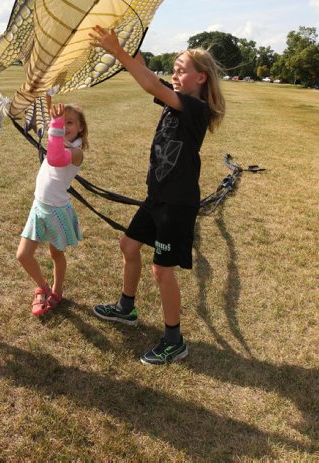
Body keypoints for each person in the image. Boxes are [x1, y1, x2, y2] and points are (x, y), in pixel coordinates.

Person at [89, 25, 225, 366]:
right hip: (157, 197)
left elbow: (150, 82)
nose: (175, 74)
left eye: (181, 70)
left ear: (201, 78)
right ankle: (126, 308)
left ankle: (174, 340)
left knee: (162, 271)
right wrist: (127, 46)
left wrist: (118, 52)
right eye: (174, 70)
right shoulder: (176, 100)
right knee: (128, 245)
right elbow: (147, 73)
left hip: (177, 204)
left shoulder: (195, 110)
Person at [16, 101, 89, 316]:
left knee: (56, 254)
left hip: (57, 210)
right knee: (23, 255)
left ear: (81, 127)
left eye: (70, 122)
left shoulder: (76, 152)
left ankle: (57, 291)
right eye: (61, 121)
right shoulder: (57, 137)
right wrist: (49, 92)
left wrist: (55, 124)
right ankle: (43, 287)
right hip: (38, 206)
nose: (64, 126)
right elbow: (53, 124)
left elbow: (56, 157)